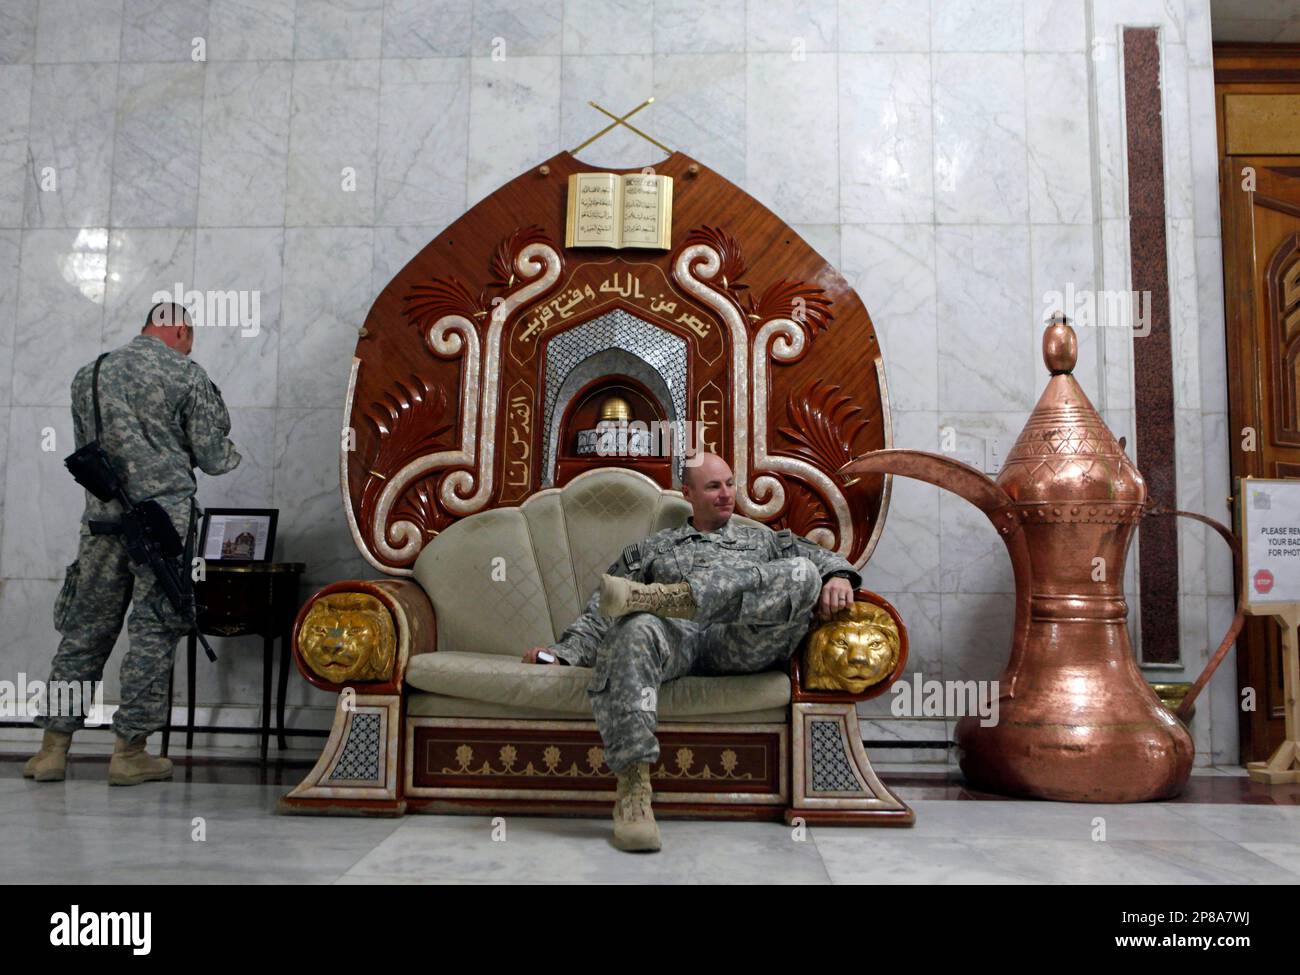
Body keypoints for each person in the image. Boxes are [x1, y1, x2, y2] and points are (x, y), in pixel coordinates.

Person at [522, 451, 859, 852]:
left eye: (730, 484)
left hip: (742, 641)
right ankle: (633, 789)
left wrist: (837, 577)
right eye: (714, 486)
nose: (726, 494)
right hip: (678, 642)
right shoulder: (654, 550)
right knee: (636, 624)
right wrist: (563, 653)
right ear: (688, 493)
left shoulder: (764, 539)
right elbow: (603, 611)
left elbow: (822, 562)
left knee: (802, 571)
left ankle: (675, 598)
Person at [24, 302, 241, 786]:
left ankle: (52, 749)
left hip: (102, 522)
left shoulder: (89, 373)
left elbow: (89, 452)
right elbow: (215, 458)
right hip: (163, 525)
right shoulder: (186, 374)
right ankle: (130, 753)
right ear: (182, 331)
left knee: (83, 633)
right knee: (153, 632)